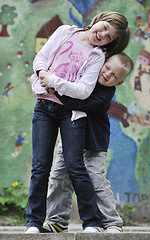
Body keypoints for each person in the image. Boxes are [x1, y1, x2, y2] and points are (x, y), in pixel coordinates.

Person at [25, 11, 130, 234]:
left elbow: (80, 96)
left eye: (109, 36)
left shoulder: (98, 64)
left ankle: (104, 222)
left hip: (83, 130)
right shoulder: (65, 32)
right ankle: (48, 222)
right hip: (52, 115)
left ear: (119, 82)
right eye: (103, 28)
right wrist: (41, 73)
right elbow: (41, 58)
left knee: (87, 175)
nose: (102, 34)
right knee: (51, 173)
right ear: (98, 20)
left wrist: (50, 82)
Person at [41, 53, 134, 233]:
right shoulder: (84, 77)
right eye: (107, 68)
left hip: (93, 142)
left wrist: (56, 90)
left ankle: (111, 221)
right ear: (102, 63)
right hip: (69, 139)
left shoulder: (105, 94)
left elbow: (78, 103)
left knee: (95, 179)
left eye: (114, 75)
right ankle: (56, 221)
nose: (107, 74)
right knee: (58, 177)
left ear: (119, 82)